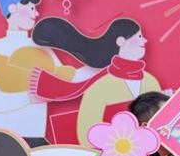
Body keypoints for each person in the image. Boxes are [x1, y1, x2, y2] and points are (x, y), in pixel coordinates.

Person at [0, 0, 94, 148]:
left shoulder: (43, 50)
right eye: (31, 8)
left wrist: (99, 66)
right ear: (12, 8)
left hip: (36, 140)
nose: (35, 14)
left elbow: (69, 80)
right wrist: (27, 97)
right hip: (1, 141)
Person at [28, 18, 161, 145]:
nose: (144, 40)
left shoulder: (151, 82)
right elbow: (86, 133)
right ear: (121, 41)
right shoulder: (100, 87)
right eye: (138, 36)